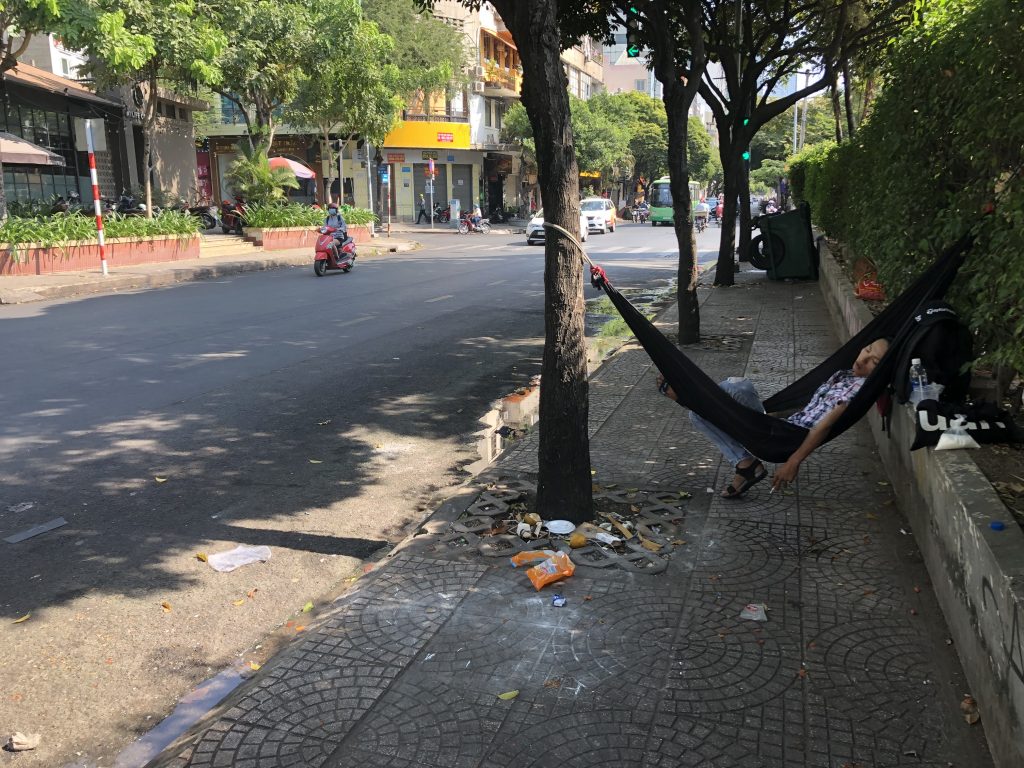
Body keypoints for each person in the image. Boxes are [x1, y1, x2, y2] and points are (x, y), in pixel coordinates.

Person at [657, 339, 890, 498]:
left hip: (787, 438)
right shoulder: (844, 374)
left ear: (881, 370)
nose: (863, 359)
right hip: (782, 427)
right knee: (699, 415)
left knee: (737, 386)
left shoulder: (858, 388)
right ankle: (746, 465)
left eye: (874, 362)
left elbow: (824, 426)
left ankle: (688, 396)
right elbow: (808, 408)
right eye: (867, 349)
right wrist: (771, 415)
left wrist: (793, 461)